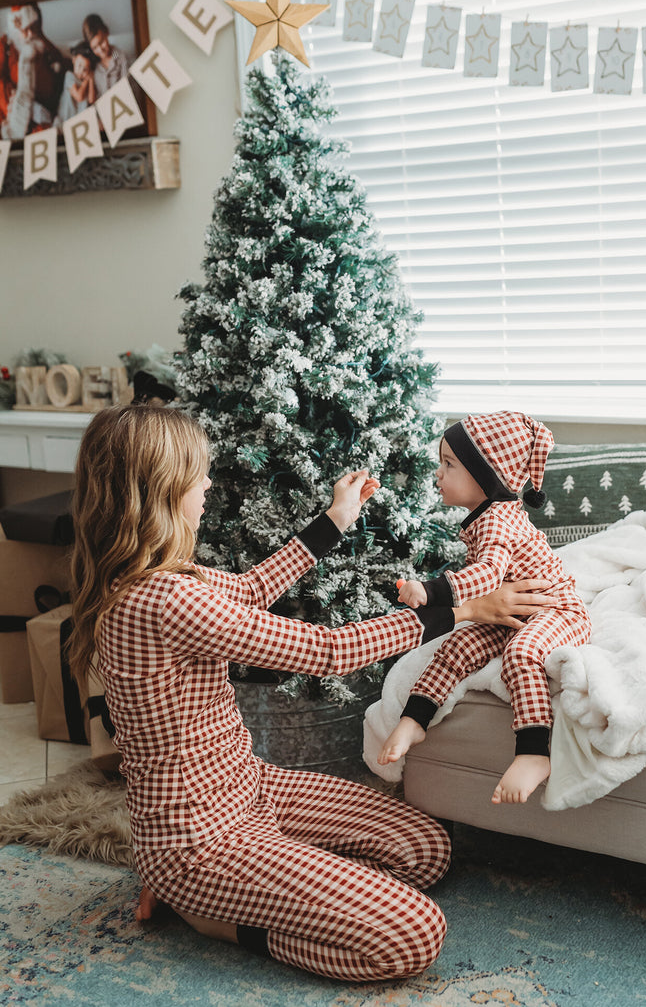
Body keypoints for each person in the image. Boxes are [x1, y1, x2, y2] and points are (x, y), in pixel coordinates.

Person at [68, 403, 558, 983]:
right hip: (199, 839)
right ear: (161, 490)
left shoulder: (177, 578)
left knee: (426, 848)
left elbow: (251, 588)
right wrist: (462, 611)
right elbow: (331, 652)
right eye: (198, 474)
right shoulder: (162, 601)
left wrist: (335, 519)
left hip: (251, 789)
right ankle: (208, 914)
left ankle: (275, 881)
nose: (207, 483)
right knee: (413, 936)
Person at [378, 410, 592, 805]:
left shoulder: (496, 521)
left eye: (449, 464)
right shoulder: (486, 517)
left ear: (486, 474)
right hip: (511, 613)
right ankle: (414, 719)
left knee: (522, 654)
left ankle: (533, 752)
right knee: (454, 649)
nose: (437, 474)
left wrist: (431, 590)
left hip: (556, 610)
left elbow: (487, 576)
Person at [1, 2, 67, 139]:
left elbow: (61, 74)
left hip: (42, 116)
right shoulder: (6, 47)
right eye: (25, 29)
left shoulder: (44, 48)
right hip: (12, 112)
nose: (30, 34)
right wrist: (9, 98)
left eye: (33, 28)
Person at [81, 14, 128, 96]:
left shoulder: (121, 58)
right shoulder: (93, 65)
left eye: (101, 42)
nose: (100, 50)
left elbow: (128, 88)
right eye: (95, 48)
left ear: (106, 32)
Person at [54, 42, 95, 127]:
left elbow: (91, 100)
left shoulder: (86, 83)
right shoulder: (70, 76)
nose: (81, 72)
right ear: (74, 60)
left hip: (78, 124)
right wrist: (86, 81)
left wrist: (91, 79)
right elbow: (79, 97)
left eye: (85, 69)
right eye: (79, 66)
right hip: (64, 120)